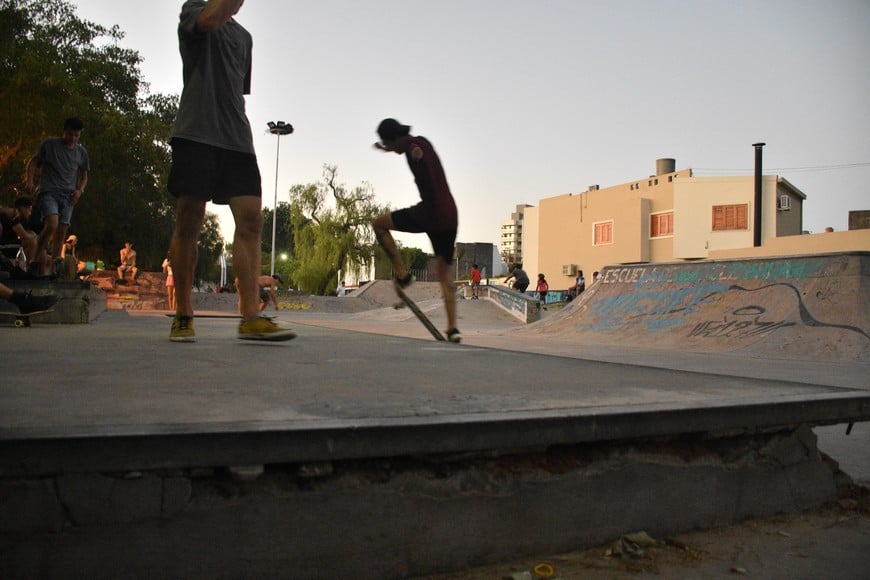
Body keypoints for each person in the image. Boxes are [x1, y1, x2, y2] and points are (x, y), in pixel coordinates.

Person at [166, 0, 295, 342]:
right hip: (196, 131)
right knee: (190, 218)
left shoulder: (245, 38)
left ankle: (250, 314)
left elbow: (237, 88)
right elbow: (210, 19)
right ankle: (183, 312)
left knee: (252, 218)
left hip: (237, 136)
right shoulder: (194, 9)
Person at [372, 118, 461, 343]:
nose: (391, 151)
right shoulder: (421, 141)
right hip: (450, 216)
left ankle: (403, 274)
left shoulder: (414, 147)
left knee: (378, 224)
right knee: (445, 274)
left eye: (390, 146)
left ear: (395, 139)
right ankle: (453, 329)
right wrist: (387, 148)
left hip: (430, 214)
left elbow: (415, 150)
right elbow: (413, 147)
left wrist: (416, 154)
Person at [27, 117, 89, 277]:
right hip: (49, 191)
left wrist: (79, 191)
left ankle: (56, 264)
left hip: (69, 195)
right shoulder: (50, 144)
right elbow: (33, 163)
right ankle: (34, 259)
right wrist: (30, 180)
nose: (73, 138)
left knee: (62, 229)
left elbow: (84, 176)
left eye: (76, 135)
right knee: (52, 224)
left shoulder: (81, 152)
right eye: (70, 134)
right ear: (64, 131)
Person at [0, 197, 38, 268]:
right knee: (32, 242)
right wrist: (34, 236)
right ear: (23, 208)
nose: (29, 214)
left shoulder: (22, 219)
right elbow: (23, 235)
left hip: (12, 245)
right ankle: (28, 269)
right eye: (29, 210)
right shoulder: (14, 214)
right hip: (6, 246)